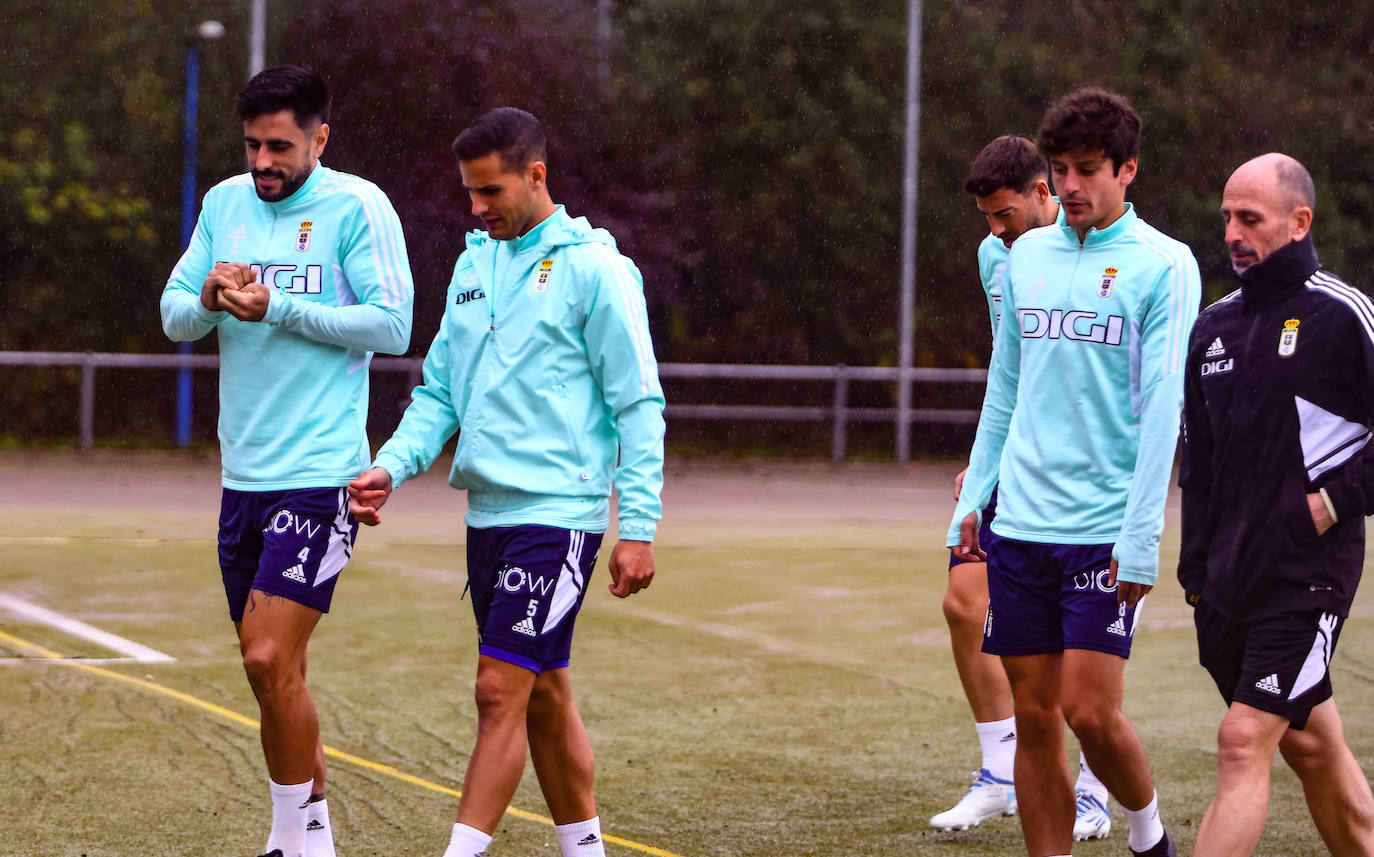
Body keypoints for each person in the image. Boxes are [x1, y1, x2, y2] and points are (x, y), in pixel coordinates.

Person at [347, 107, 664, 857]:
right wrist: (391, 463)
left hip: (561, 514)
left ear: (536, 175)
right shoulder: (472, 266)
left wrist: (639, 525)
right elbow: (440, 395)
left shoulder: (596, 269)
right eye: (468, 193)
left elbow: (637, 401)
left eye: (490, 191)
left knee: (498, 691)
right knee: (544, 693)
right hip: (486, 517)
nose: (477, 207)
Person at [160, 65, 415, 857]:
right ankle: (296, 838)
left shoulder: (356, 206)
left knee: (266, 653)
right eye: (251, 147)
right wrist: (211, 291)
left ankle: (307, 845)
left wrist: (281, 305)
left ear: (319, 138)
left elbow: (392, 325)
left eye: (279, 146)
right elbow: (174, 318)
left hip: (321, 474)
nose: (262, 162)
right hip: (243, 476)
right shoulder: (225, 205)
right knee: (275, 674)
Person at [947, 88, 1200, 857]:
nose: (1070, 187)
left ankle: (1147, 832)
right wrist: (980, 487)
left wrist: (1141, 534)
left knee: (1090, 712)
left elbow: (1163, 412)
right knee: (1035, 717)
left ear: (1129, 170)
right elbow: (1006, 385)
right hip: (1020, 524)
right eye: (1059, 170)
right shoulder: (1024, 255)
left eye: (1088, 169)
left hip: (1102, 533)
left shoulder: (1166, 266)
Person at [1179, 153, 1374, 857]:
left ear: (1299, 222)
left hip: (1307, 576)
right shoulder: (1213, 328)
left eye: (1249, 218)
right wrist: (1195, 570)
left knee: (1242, 741)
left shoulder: (1341, 313)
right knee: (1313, 747)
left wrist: (1332, 502)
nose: (1232, 231)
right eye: (1227, 216)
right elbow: (1198, 464)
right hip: (1227, 585)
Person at [932, 135, 1112, 842]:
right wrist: (982, 470)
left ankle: (1094, 785)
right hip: (1013, 465)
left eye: (1005, 214)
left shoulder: (1111, 258)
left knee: (1076, 649)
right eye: (986, 218)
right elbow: (1011, 376)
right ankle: (1000, 771)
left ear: (1045, 193)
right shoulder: (995, 257)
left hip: (1084, 481)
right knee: (961, 602)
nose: (995, 232)